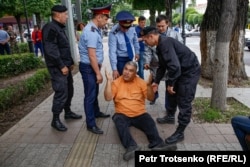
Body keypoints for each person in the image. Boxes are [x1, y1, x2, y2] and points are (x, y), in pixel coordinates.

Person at [104, 61, 177, 161]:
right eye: (125, 69)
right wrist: (108, 81)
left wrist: (148, 86)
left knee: (149, 121)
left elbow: (151, 98)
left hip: (139, 113)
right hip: (122, 113)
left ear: (135, 73)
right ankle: (131, 147)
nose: (127, 72)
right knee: (119, 122)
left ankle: (158, 144)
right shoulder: (116, 82)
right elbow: (108, 98)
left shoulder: (141, 82)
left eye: (131, 71)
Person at [141, 26, 201, 144]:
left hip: (189, 71)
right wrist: (156, 82)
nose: (145, 42)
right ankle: (170, 116)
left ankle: (180, 132)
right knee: (172, 94)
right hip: (179, 70)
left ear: (151, 36)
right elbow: (162, 66)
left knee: (184, 100)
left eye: (145, 40)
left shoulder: (165, 44)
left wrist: (171, 83)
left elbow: (175, 67)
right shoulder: (159, 45)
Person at [42, 5, 82, 132]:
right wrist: (61, 65)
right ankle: (55, 120)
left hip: (64, 67)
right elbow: (51, 50)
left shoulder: (58, 28)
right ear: (58, 15)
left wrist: (69, 62)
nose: (67, 17)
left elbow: (63, 48)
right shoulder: (50, 28)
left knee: (69, 90)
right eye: (65, 14)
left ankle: (68, 112)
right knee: (61, 92)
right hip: (57, 68)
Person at [78, 4, 112, 134]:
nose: (106, 22)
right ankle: (90, 124)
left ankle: (96, 112)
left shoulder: (94, 29)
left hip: (91, 67)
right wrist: (98, 73)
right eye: (105, 19)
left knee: (94, 92)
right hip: (89, 68)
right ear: (99, 17)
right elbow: (91, 55)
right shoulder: (91, 32)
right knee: (90, 95)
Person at [144, 15, 183, 118]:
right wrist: (146, 62)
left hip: (172, 67)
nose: (160, 28)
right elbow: (147, 51)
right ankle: (153, 98)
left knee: (169, 88)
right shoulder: (152, 35)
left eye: (162, 26)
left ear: (167, 24)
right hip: (158, 66)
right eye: (158, 26)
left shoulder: (175, 35)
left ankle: (169, 111)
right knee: (154, 83)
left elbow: (180, 51)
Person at [108, 11, 140, 79]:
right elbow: (112, 52)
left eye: (127, 28)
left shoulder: (131, 28)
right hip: (120, 60)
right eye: (123, 27)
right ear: (119, 23)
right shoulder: (113, 33)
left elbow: (135, 41)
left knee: (131, 78)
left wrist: (137, 52)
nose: (126, 30)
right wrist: (114, 69)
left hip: (130, 58)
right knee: (121, 80)